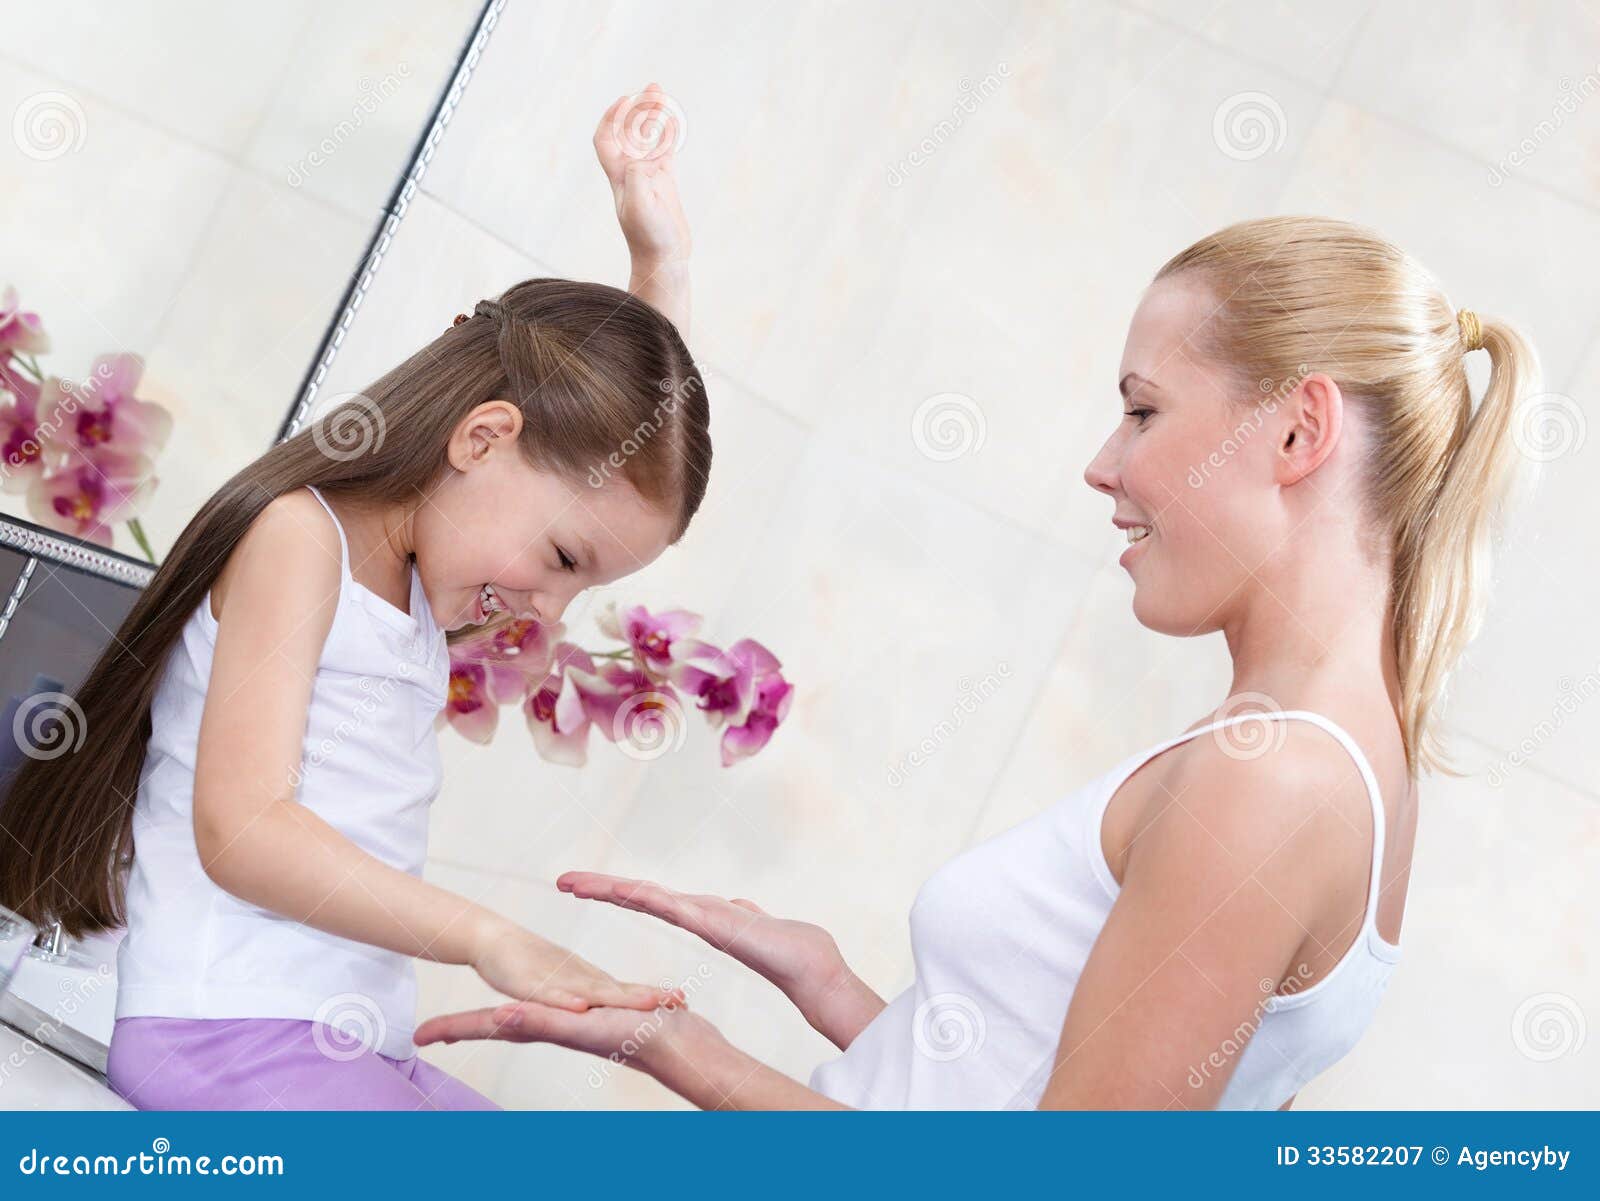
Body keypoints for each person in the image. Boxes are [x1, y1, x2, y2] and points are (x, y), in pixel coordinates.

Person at [416, 216, 1538, 1110]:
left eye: (1142, 411)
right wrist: (850, 999)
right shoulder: (1330, 760)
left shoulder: (1271, 779)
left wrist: (686, 1051)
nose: (1104, 467)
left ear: (1297, 434)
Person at [0, 84, 704, 1110]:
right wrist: (487, 936)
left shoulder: (416, 585)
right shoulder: (302, 538)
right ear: (482, 437)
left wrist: (662, 264)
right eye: (561, 557)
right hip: (225, 1037)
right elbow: (241, 832)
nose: (548, 611)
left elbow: (612, 425)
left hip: (336, 1046)